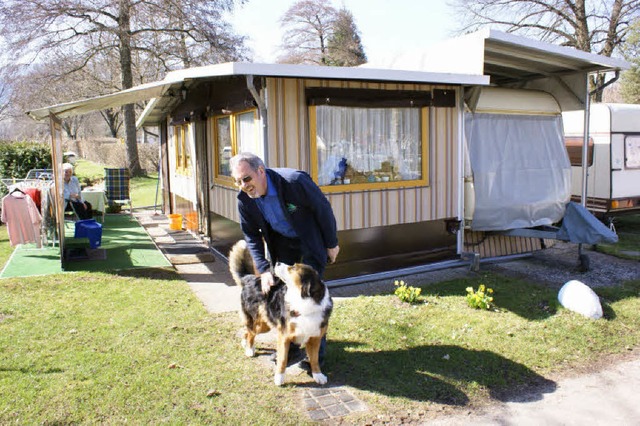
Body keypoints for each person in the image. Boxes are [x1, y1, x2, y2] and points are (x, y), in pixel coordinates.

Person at [230, 152, 340, 370]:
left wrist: (331, 243)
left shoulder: (294, 182)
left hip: (310, 241)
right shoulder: (244, 200)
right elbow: (251, 235)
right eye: (238, 181)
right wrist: (263, 270)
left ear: (260, 171)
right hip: (282, 245)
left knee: (311, 295)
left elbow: (323, 209)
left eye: (247, 178)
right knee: (283, 296)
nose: (244, 185)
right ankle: (291, 349)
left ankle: (314, 359)